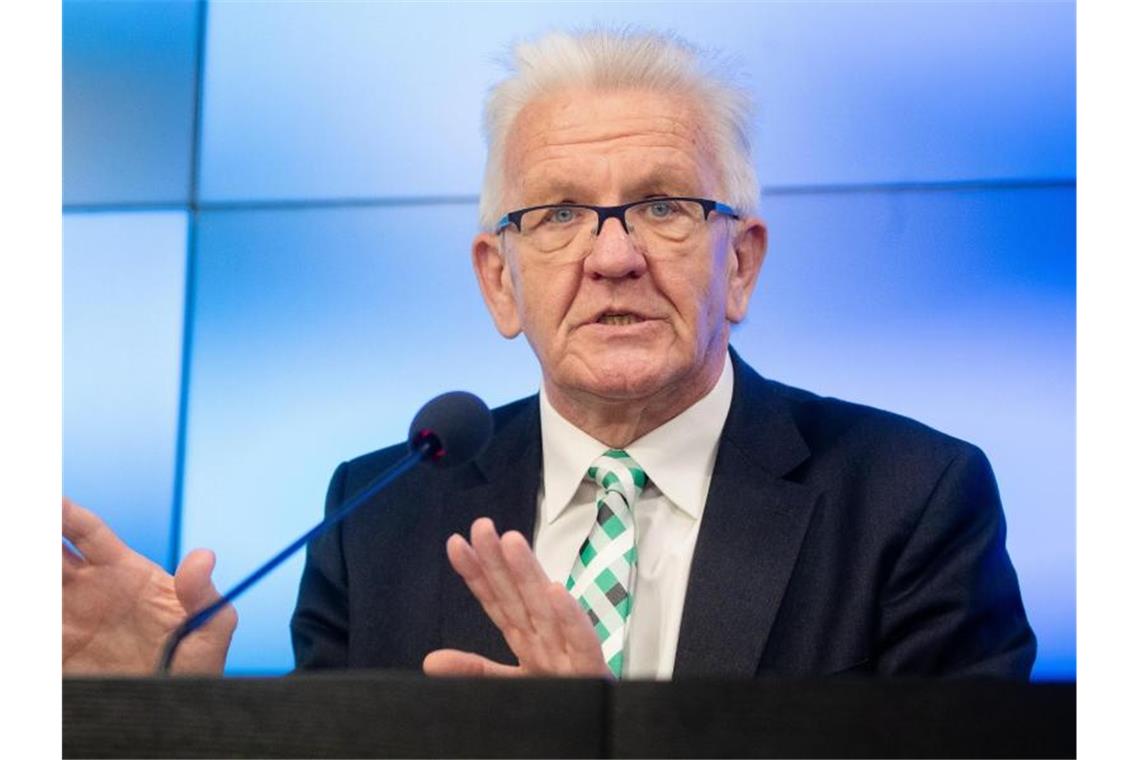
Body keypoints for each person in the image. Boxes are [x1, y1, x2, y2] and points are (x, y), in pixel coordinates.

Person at [62, 29, 1035, 680]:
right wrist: (164, 718)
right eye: (560, 214)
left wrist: (613, 744)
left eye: (663, 205)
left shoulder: (911, 501)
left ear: (739, 263)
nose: (614, 256)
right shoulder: (378, 520)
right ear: (499, 279)